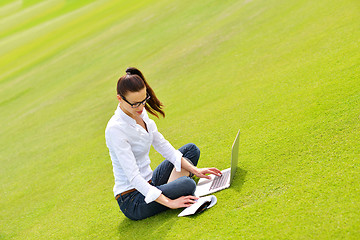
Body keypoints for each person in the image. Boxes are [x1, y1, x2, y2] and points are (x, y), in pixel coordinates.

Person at [105, 67, 221, 220]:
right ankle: (175, 190)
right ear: (120, 99)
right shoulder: (116, 129)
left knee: (191, 150)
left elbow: (162, 145)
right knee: (188, 185)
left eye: (143, 100)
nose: (141, 108)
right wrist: (170, 203)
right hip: (133, 198)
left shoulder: (140, 112)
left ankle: (174, 187)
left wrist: (195, 170)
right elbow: (133, 176)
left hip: (151, 181)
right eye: (135, 104)